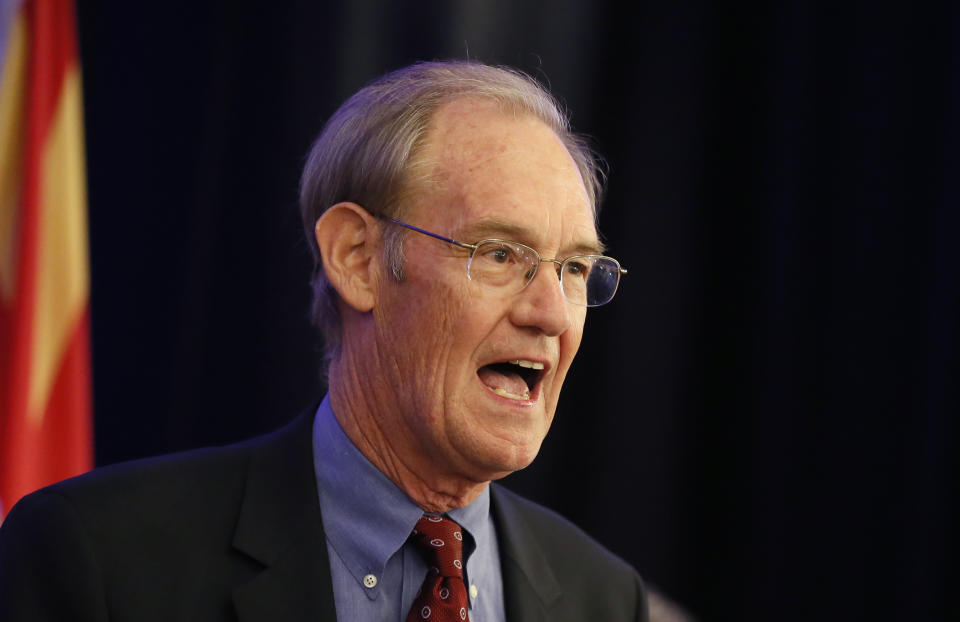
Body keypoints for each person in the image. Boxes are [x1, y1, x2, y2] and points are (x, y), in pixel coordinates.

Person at [0, 61, 648, 622]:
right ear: (357, 258)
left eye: (574, 269)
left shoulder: (603, 598)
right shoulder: (102, 560)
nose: (553, 314)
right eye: (502, 253)